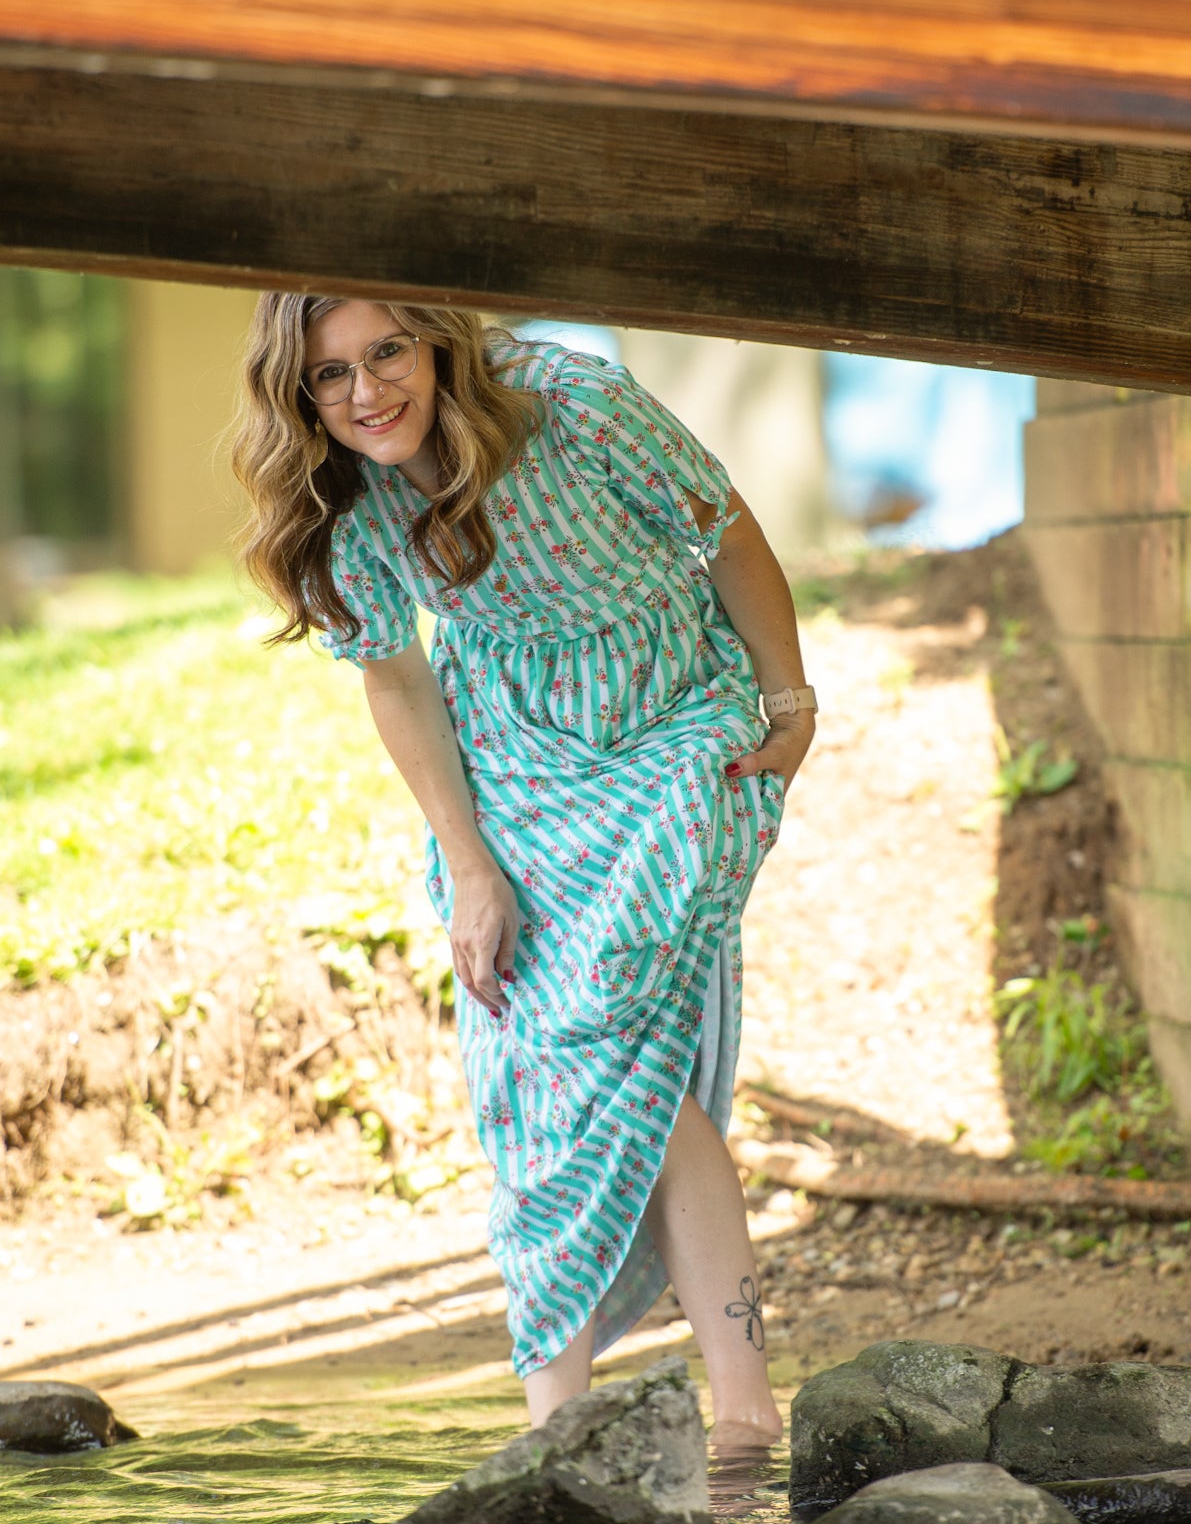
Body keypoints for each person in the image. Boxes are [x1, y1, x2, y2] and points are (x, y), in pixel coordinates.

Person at [230, 298, 817, 1448]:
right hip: (508, 761)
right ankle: (580, 1423)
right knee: (537, 1070)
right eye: (329, 376)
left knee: (607, 1027)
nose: (364, 394)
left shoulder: (581, 405)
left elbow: (727, 533)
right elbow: (396, 679)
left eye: (386, 352)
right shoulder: (347, 490)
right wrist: (470, 865)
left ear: (438, 339)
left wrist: (790, 703)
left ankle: (732, 1409)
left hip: (664, 726)